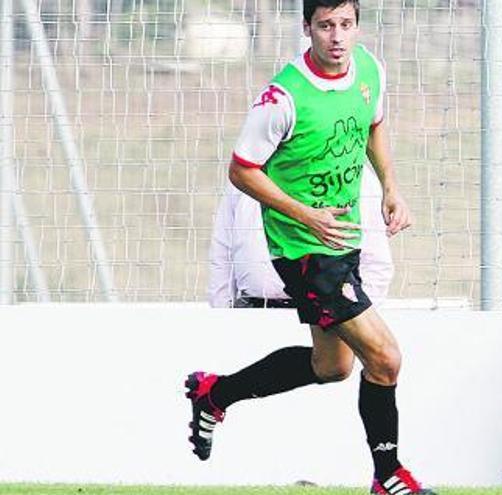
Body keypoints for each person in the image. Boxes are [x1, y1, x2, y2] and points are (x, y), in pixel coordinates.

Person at [186, 0, 432, 493]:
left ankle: (215, 394)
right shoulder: (283, 97)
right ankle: (388, 476)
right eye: (325, 26)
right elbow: (241, 170)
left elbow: (373, 125)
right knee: (384, 358)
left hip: (342, 240)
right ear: (307, 28)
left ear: (357, 25)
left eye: (345, 25)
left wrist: (389, 188)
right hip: (303, 249)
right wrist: (306, 216)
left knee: (333, 367)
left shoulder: (368, 69)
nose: (337, 37)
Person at [207, 165, 394, 308]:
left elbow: (376, 262)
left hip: (329, 316)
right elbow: (222, 251)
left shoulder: (354, 174)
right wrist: (223, 312)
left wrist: (354, 319)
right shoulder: (246, 175)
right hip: (250, 311)